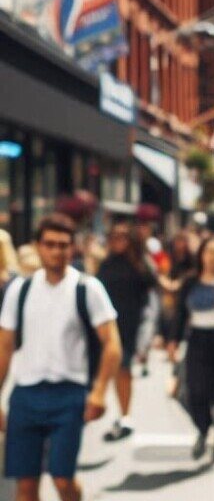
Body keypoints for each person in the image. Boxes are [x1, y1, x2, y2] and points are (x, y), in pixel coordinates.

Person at [0, 213, 122, 501]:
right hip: (26, 394)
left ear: (72, 248)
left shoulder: (87, 288)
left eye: (63, 245)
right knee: (26, 484)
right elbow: (4, 347)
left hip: (69, 394)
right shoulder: (20, 289)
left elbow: (112, 344)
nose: (56, 251)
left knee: (62, 479)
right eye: (50, 244)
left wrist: (100, 392)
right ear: (38, 246)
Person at [167, 234, 214, 462]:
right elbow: (180, 314)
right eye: (208, 252)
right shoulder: (190, 281)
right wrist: (173, 340)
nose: (212, 257)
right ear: (201, 255)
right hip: (197, 340)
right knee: (195, 392)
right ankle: (203, 427)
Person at [96, 218, 159, 441]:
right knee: (107, 370)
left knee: (123, 370)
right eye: (114, 237)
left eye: (122, 237)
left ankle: (125, 415)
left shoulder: (141, 262)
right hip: (107, 325)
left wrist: (151, 331)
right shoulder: (106, 263)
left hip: (132, 325)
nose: (117, 241)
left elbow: (153, 295)